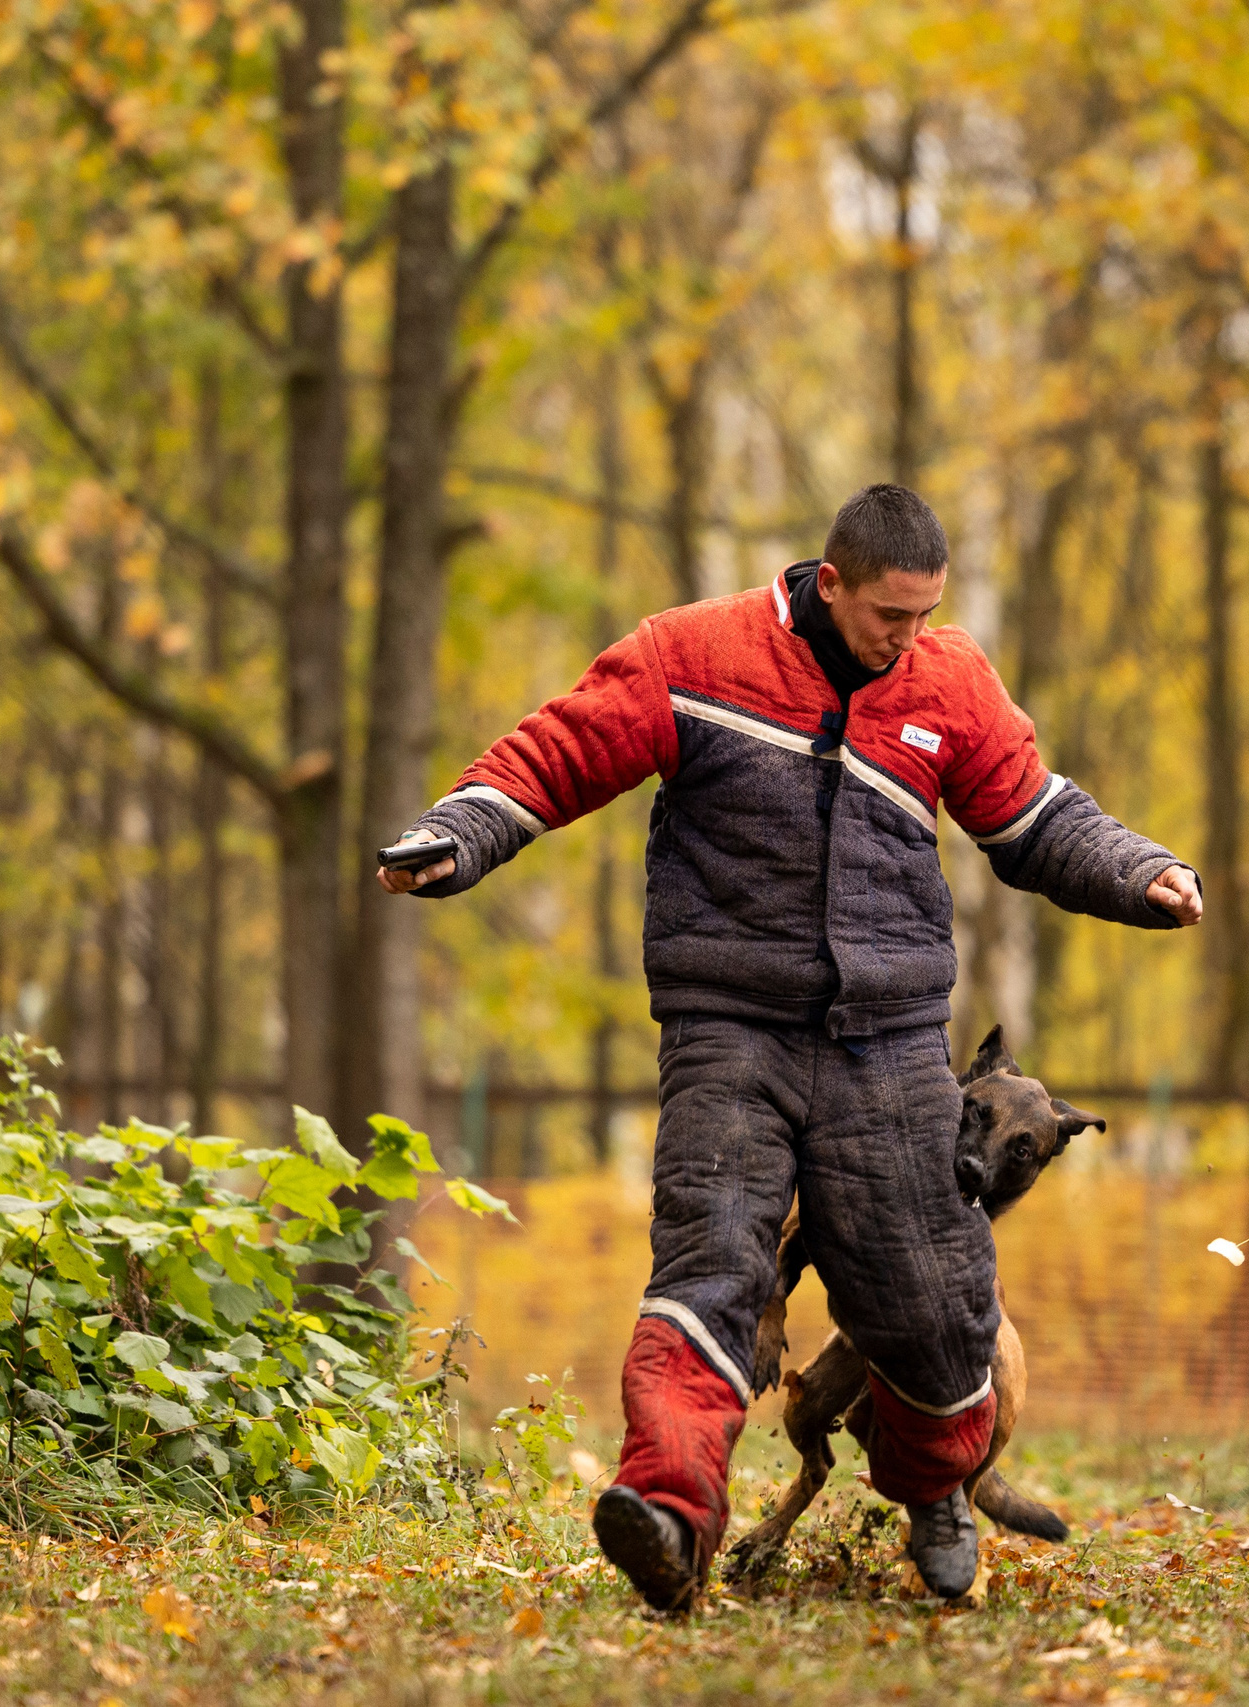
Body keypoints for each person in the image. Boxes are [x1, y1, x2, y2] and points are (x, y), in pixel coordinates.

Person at [382, 484, 1201, 1608]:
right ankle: (668, 1516)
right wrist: (461, 830)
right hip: (731, 1030)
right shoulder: (693, 653)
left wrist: (1139, 870)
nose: (906, 641)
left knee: (932, 1296)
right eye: (887, 619)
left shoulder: (947, 680)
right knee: (713, 1261)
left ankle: (933, 1489)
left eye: (924, 617)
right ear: (830, 584)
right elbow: (561, 749)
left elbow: (1031, 812)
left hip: (892, 1041)